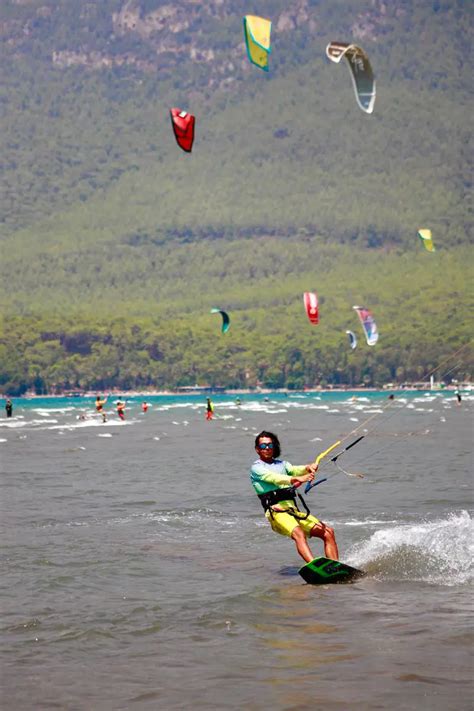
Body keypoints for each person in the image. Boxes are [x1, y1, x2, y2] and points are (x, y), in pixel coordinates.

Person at [250, 431, 339, 564]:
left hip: (293, 511)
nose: (267, 448)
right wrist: (298, 478)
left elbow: (296, 469)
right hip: (276, 512)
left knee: (328, 532)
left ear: (274, 446)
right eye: (263, 446)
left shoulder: (283, 464)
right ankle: (313, 566)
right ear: (257, 449)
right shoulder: (256, 468)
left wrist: (308, 467)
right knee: (299, 533)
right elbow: (276, 478)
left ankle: (337, 567)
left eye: (270, 445)